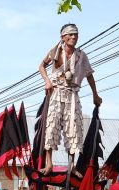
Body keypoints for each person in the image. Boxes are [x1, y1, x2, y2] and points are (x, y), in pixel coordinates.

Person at [38, 23, 102, 175]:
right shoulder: (55, 52)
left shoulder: (81, 55)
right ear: (63, 37)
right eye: (70, 34)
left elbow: (89, 75)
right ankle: (49, 164)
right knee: (51, 126)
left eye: (76, 34)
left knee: (73, 128)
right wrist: (47, 81)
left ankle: (71, 166)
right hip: (56, 92)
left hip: (73, 94)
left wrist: (95, 94)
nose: (74, 37)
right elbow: (41, 66)